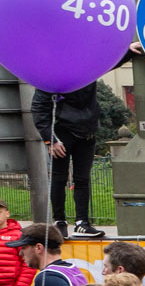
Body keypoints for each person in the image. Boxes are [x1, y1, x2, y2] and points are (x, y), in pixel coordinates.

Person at [30, 79, 102, 239]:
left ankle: (82, 223)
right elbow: (39, 109)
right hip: (62, 132)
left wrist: (127, 53)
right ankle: (60, 222)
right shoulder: (51, 75)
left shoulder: (89, 69)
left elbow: (109, 61)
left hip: (87, 132)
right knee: (59, 177)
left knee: (82, 179)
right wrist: (51, 140)